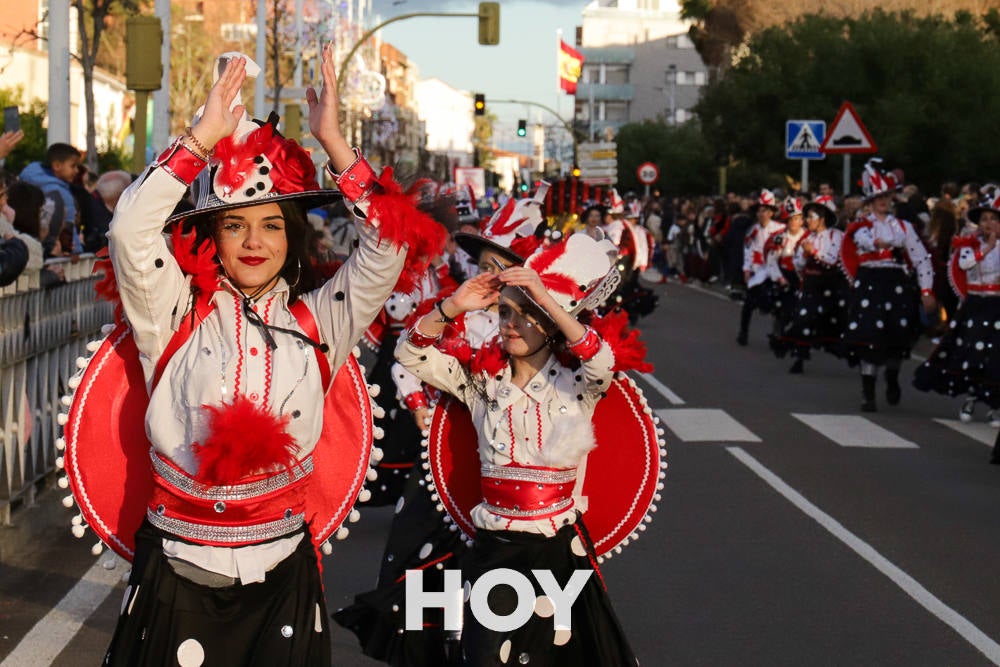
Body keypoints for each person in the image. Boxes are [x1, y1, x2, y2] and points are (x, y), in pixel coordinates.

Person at [88, 48, 444, 667]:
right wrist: (201, 139)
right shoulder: (171, 313)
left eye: (272, 225)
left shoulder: (321, 320)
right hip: (177, 564)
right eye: (235, 225)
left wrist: (334, 141)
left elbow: (389, 245)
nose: (254, 241)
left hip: (282, 570)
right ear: (212, 236)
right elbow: (128, 233)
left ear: (293, 236)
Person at [395, 233, 642, 666]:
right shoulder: (479, 383)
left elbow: (601, 360)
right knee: (488, 656)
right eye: (505, 312)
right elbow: (409, 355)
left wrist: (545, 297)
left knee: (559, 657)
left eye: (527, 314)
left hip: (557, 550)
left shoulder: (577, 387)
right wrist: (452, 306)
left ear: (550, 320)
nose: (511, 323)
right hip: (495, 548)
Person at [334, 190, 544, 666]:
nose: (491, 273)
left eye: (504, 265)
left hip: (510, 471)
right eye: (487, 262)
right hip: (446, 456)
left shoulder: (540, 326)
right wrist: (420, 409)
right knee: (431, 559)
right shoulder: (456, 311)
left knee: (508, 574)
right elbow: (408, 358)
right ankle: (446, 643)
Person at [841, 158, 934, 412]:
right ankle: (868, 391)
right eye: (879, 197)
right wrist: (877, 243)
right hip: (871, 282)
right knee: (869, 335)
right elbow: (863, 241)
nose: (883, 201)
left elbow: (920, 258)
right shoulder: (862, 226)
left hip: (896, 283)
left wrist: (926, 290)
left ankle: (892, 377)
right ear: (870, 200)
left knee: (898, 334)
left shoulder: (904, 227)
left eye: (887, 196)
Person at [914, 192, 1000, 435]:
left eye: (994, 220)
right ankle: (971, 397)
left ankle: (994, 403)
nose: (988, 224)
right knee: (972, 350)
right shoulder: (968, 244)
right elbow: (964, 264)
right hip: (976, 303)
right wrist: (987, 248)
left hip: (997, 304)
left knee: (995, 354)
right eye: (984, 219)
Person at [771, 195, 846, 372]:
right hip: (811, 284)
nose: (807, 221)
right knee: (802, 318)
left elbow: (832, 259)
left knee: (831, 320)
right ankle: (799, 358)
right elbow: (798, 263)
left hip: (830, 285)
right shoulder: (808, 239)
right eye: (807, 217)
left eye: (811, 217)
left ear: (822, 219)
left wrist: (813, 253)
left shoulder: (836, 236)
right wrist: (805, 255)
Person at [737, 190, 784, 345]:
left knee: (777, 305)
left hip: (776, 271)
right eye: (759, 211)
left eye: (763, 211)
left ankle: (777, 334)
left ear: (771, 213)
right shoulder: (753, 230)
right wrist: (747, 269)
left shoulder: (780, 230)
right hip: (758, 272)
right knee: (748, 304)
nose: (760, 214)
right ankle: (743, 332)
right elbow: (748, 250)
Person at [20, 141, 83, 253]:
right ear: (57, 165)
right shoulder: (61, 193)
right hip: (54, 249)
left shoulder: (26, 179)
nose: (76, 171)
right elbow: (68, 225)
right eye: (73, 166)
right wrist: (75, 249)